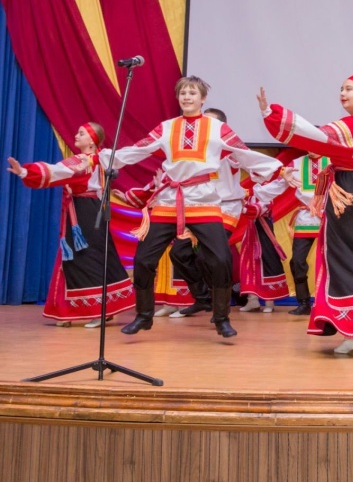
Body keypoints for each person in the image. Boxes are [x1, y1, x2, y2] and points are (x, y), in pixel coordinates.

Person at [103, 76, 282, 338]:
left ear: (202, 98)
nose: (187, 97)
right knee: (143, 258)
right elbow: (140, 148)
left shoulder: (217, 127)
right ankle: (143, 316)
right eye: (183, 93)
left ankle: (221, 317)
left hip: (203, 199)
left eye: (192, 93)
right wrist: (108, 159)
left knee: (220, 258)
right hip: (170, 200)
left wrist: (277, 169)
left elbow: (242, 152)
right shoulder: (166, 127)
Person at [258, 75, 353, 357]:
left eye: (349, 88)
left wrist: (273, 115)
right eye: (341, 89)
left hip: (351, 192)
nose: (342, 93)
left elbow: (316, 136)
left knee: (349, 257)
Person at [7, 123, 135, 327]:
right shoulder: (98, 159)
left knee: (86, 258)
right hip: (92, 209)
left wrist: (25, 172)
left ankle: (97, 310)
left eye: (81, 133)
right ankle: (78, 310)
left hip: (84, 211)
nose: (76, 135)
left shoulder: (83, 160)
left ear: (92, 141)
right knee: (90, 257)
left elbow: (57, 172)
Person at [249, 152, 329, 316]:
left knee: (333, 261)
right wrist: (255, 191)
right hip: (306, 217)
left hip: (329, 216)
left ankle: (331, 301)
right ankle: (304, 303)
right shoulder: (296, 163)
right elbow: (279, 185)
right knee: (297, 261)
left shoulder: (332, 161)